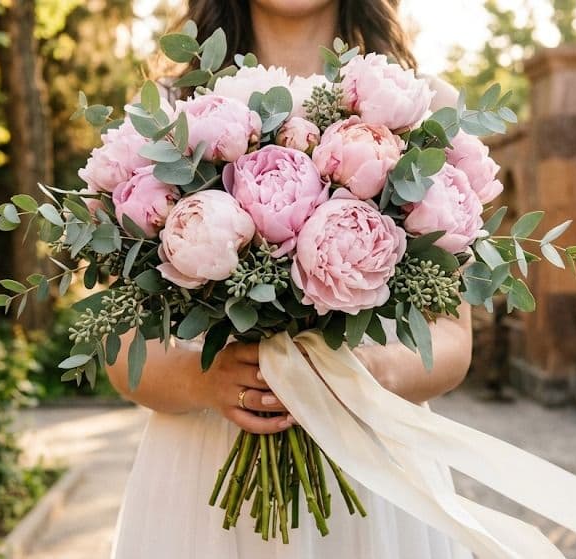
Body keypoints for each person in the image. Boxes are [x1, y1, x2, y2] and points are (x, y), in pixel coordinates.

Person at [108, 1, 473, 557]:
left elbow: (453, 339)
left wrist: (367, 373)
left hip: (375, 476)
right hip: (203, 479)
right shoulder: (165, 114)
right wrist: (207, 381)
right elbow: (122, 351)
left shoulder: (424, 109)